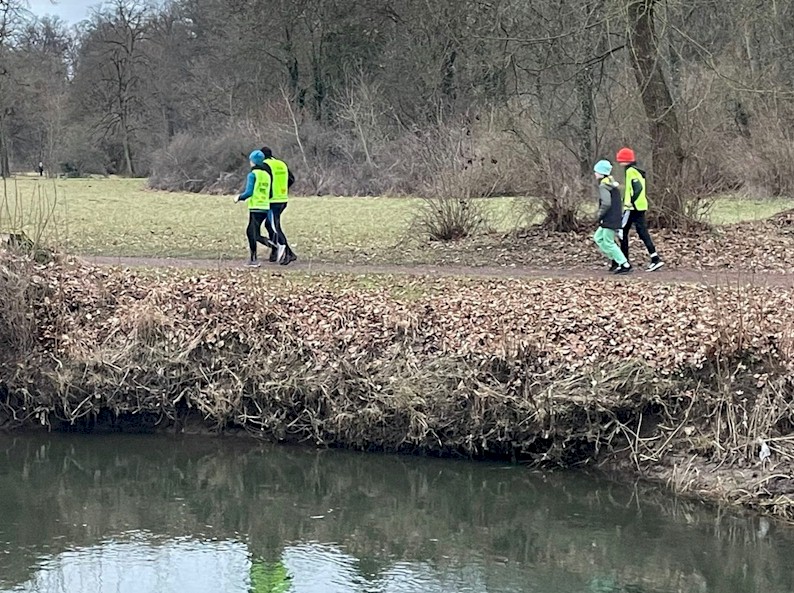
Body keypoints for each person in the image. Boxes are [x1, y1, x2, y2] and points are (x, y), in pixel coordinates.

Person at [615, 147, 664, 272]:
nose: (619, 162)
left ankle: (624, 263)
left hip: (632, 207)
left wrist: (630, 202)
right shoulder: (636, 171)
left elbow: (637, 188)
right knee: (642, 232)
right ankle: (655, 258)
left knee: (622, 231)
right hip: (641, 206)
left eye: (621, 159)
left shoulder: (630, 171)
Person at [235, 149, 276, 267]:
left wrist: (239, 198)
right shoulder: (267, 175)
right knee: (255, 232)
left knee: (251, 232)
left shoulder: (252, 175)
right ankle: (272, 244)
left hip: (256, 207)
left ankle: (253, 259)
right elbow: (270, 193)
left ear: (253, 161)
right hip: (265, 207)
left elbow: (249, 192)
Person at [593, 159, 632, 275]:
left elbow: (606, 203)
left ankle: (625, 264)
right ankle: (616, 259)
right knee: (598, 237)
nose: (595, 173)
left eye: (596, 171)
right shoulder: (611, 183)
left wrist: (599, 214)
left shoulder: (604, 185)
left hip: (609, 218)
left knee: (608, 242)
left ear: (601, 173)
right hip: (613, 217)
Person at [261, 147, 296, 265]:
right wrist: (284, 189)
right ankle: (275, 250)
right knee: (269, 225)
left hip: (272, 201)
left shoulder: (265, 165)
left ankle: (289, 253)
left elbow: (264, 181)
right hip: (283, 199)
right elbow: (292, 179)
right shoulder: (281, 164)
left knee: (275, 227)